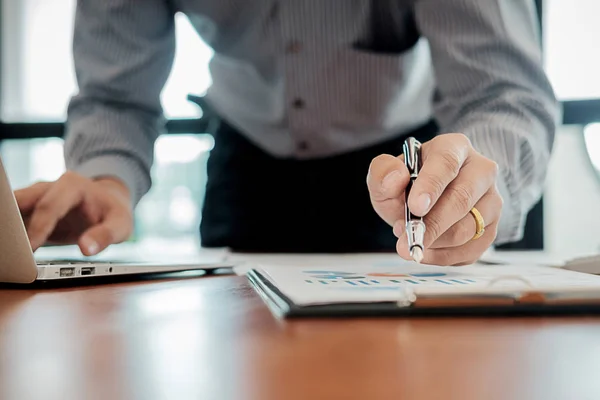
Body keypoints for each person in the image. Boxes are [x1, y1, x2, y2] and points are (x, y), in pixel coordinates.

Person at [14, 1, 559, 266]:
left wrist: (477, 189)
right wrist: (107, 179)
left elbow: (503, 93)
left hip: (412, 181)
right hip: (245, 167)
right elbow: (115, 93)